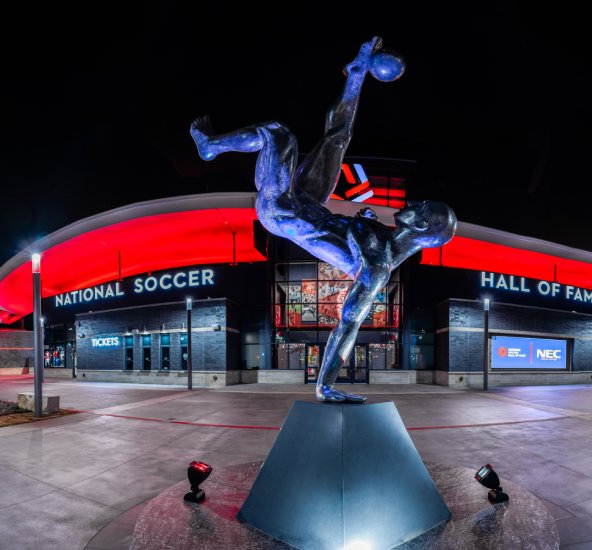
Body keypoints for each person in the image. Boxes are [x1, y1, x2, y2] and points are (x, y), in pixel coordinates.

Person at [191, 38, 456, 403]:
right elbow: (339, 140)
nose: (413, 201)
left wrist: (325, 384)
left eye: (420, 206)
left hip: (283, 210)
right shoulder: (382, 236)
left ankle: (210, 146)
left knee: (277, 133)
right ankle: (356, 73)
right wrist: (359, 75)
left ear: (422, 226)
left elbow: (349, 324)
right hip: (309, 202)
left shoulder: (376, 268)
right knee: (338, 137)